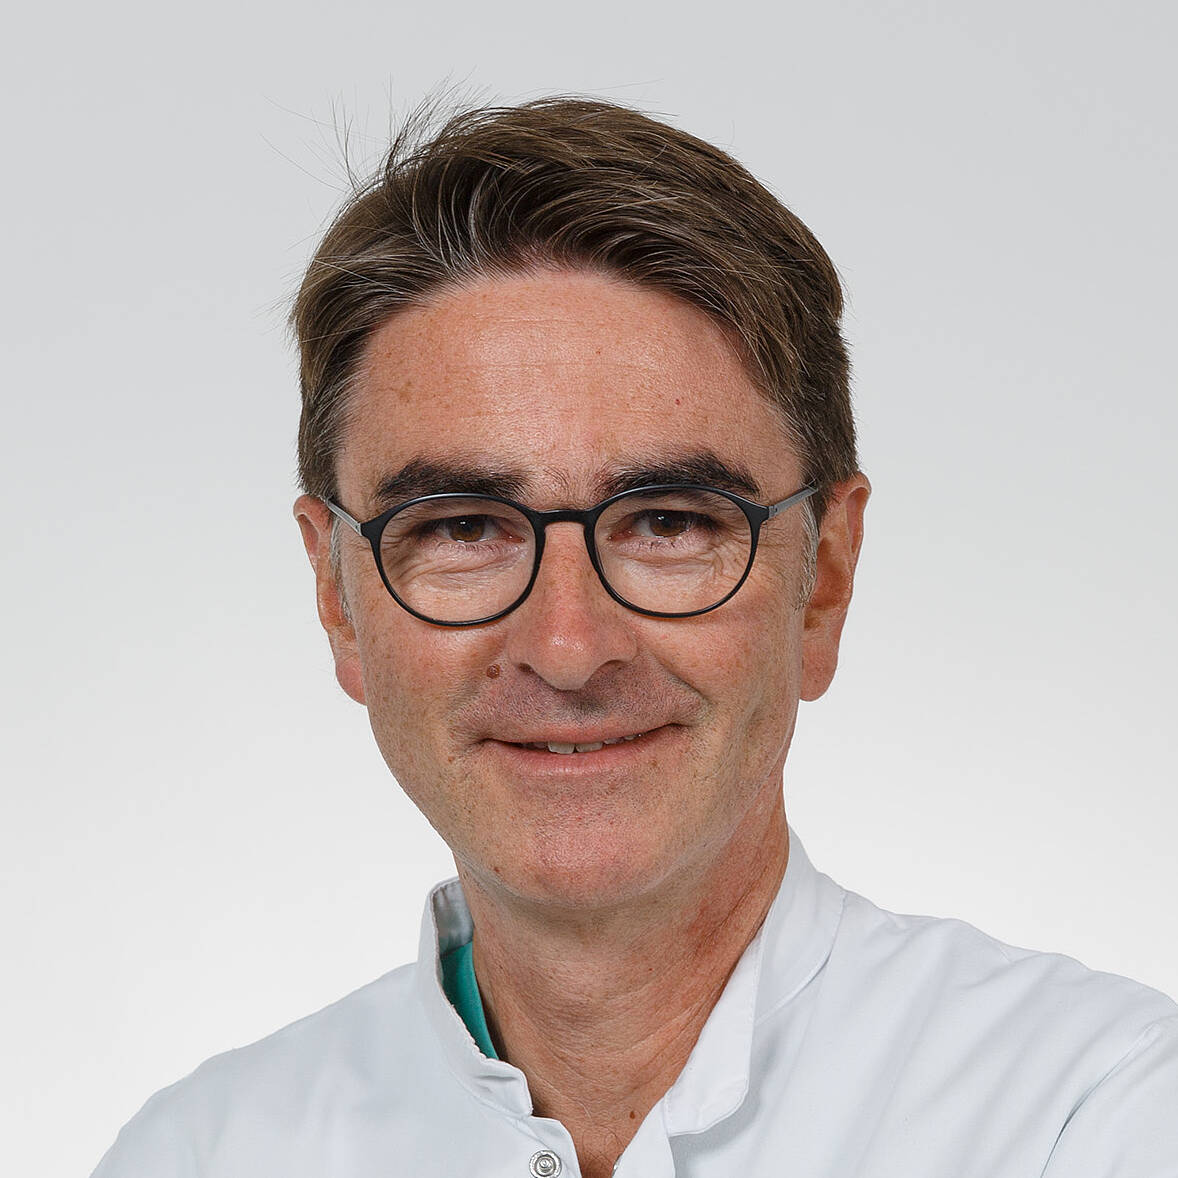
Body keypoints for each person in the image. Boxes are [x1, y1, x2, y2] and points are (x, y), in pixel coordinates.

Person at [91, 97, 1178, 1178]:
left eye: (668, 523)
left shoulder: (1093, 1116)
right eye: (462, 528)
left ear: (824, 579)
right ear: (337, 595)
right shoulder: (197, 1154)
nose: (568, 648)